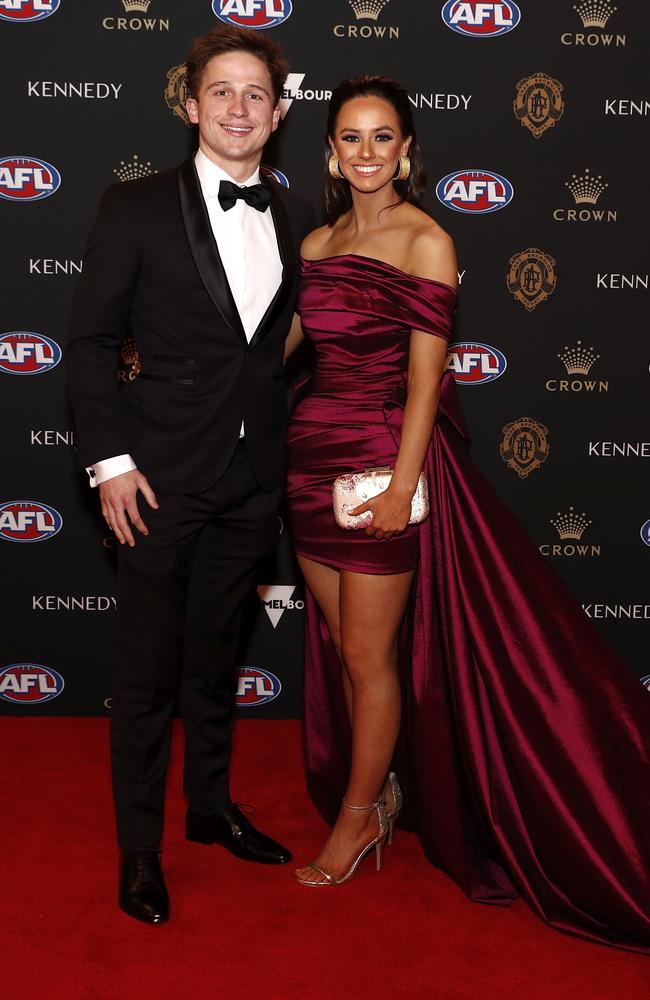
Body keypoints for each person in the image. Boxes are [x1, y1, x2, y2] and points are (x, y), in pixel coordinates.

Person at [284, 76, 650, 953]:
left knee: (372, 657)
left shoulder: (427, 241)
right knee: (342, 645)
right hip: (308, 467)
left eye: (382, 138)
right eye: (349, 138)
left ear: (409, 150)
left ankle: (361, 818)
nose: (366, 152)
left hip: (381, 466)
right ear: (331, 152)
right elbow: (273, 349)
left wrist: (403, 488)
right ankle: (384, 790)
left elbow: (424, 384)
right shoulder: (317, 240)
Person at [67, 25, 314, 925]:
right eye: (221, 92)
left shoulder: (294, 217)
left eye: (256, 94)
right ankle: (140, 853)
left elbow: (274, 349)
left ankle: (209, 810)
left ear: (280, 113)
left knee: (216, 662)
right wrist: (112, 462)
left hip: (253, 481)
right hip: (158, 481)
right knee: (145, 677)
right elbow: (91, 344)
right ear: (189, 103)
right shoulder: (133, 205)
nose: (238, 108)